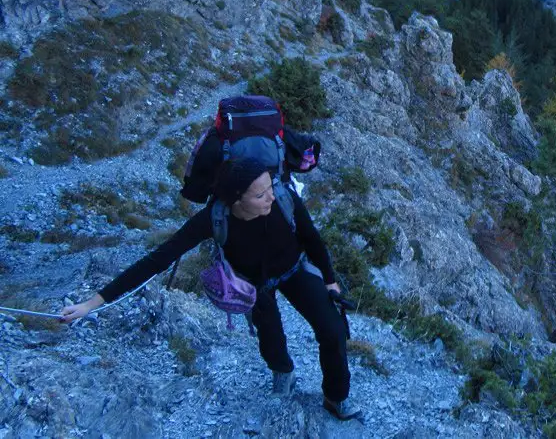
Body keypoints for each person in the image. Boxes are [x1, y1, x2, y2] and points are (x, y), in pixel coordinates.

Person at [60, 158, 361, 421]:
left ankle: (335, 397)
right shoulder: (214, 219)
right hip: (252, 284)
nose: (271, 196)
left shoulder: (283, 197)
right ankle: (282, 371)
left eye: (271, 187)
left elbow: (312, 238)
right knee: (270, 337)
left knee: (332, 329)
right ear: (236, 199)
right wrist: (92, 303)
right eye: (260, 194)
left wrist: (330, 279)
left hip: (294, 269)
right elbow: (158, 259)